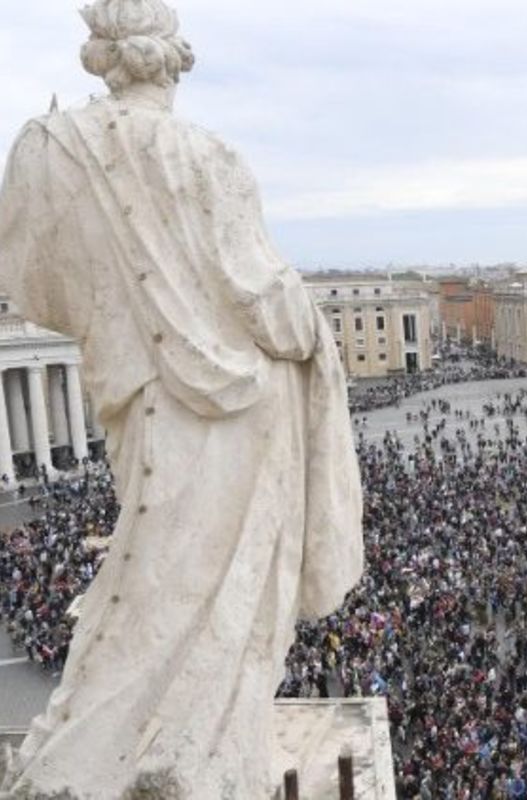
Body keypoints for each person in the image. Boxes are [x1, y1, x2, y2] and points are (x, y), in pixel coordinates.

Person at [0, 2, 362, 797]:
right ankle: (197, 754)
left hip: (136, 392)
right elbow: (267, 305)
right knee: (214, 596)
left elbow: (31, 283)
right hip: (239, 418)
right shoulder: (210, 159)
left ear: (103, 54)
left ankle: (144, 748)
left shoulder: (41, 149)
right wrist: (312, 327)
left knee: (154, 571)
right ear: (174, 60)